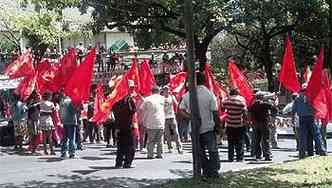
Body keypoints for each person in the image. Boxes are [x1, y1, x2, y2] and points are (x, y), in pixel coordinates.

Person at [179, 72, 221, 178]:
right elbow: (215, 112)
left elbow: (180, 110)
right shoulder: (209, 94)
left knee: (199, 152)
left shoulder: (188, 95)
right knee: (213, 150)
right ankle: (214, 171)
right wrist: (218, 126)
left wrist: (190, 116)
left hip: (194, 128)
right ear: (204, 80)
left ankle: (206, 170)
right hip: (209, 127)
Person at [292, 84, 327, 159]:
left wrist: (292, 119)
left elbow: (293, 110)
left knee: (303, 137)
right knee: (317, 136)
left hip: (302, 118)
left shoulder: (297, 98)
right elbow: (315, 108)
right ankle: (322, 151)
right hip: (310, 118)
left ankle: (302, 154)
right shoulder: (310, 97)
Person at [112, 80, 136, 168]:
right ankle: (127, 162)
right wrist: (129, 100)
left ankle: (119, 163)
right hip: (127, 126)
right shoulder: (128, 100)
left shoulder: (116, 100)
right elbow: (132, 111)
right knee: (129, 146)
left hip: (119, 126)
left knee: (121, 146)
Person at [222, 89, 247, 162]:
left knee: (230, 142)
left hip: (230, 124)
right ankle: (240, 157)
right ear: (238, 93)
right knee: (240, 141)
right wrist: (246, 121)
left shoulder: (226, 100)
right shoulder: (241, 100)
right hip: (239, 124)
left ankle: (230, 157)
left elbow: (223, 108)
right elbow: (244, 112)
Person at [141, 85, 165, 159]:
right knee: (160, 140)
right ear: (158, 91)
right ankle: (159, 154)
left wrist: (143, 120)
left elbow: (142, 109)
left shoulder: (147, 99)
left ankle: (150, 154)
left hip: (150, 122)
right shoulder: (162, 98)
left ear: (151, 91)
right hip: (161, 121)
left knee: (151, 140)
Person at [250, 93, 276, 161]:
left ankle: (258, 155)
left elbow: (249, 111)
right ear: (262, 97)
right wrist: (273, 101)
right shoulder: (264, 104)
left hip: (256, 123)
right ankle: (267, 155)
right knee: (266, 140)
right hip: (264, 123)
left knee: (257, 140)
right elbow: (274, 108)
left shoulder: (253, 105)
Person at [162, 86, 183, 154]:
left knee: (176, 133)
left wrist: (179, 109)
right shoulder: (161, 98)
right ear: (163, 91)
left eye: (167, 89)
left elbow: (177, 104)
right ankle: (170, 147)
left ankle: (179, 147)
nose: (166, 91)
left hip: (172, 116)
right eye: (165, 90)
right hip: (164, 117)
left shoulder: (172, 97)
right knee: (167, 133)